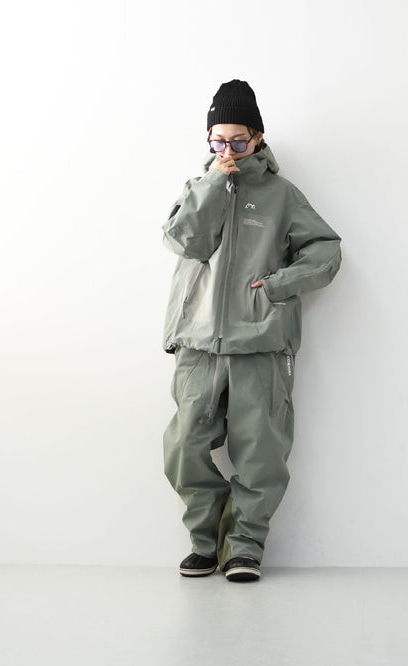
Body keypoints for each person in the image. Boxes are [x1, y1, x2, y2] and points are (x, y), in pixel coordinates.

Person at [162, 79, 342, 582]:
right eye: (217, 141)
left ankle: (243, 547)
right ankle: (205, 542)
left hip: (261, 343)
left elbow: (326, 251)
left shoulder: (282, 195)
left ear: (258, 137)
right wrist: (213, 184)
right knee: (183, 450)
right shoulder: (198, 188)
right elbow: (186, 242)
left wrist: (279, 285)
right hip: (197, 342)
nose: (227, 151)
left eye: (238, 142)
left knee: (261, 455)